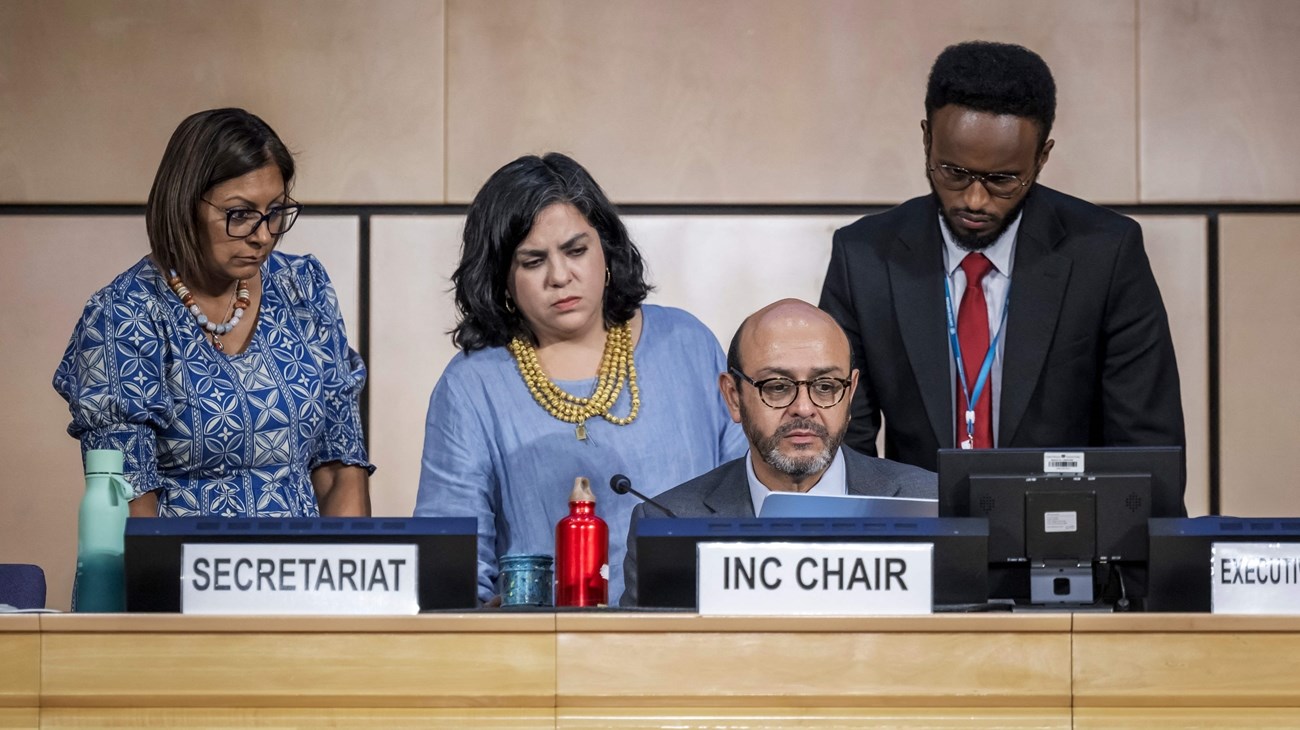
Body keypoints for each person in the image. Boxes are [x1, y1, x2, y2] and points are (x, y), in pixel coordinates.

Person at [819, 41, 1186, 479]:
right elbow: (842, 449)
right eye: (953, 172)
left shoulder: (1105, 255)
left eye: (1003, 180)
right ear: (927, 140)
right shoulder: (864, 258)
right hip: (918, 517)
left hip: (1063, 518)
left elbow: (1146, 452)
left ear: (1041, 158)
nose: (975, 200)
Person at [415, 152, 746, 606]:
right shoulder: (471, 385)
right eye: (533, 261)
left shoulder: (688, 343)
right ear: (502, 278)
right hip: (541, 641)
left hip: (693, 630)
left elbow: (745, 508)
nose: (560, 276)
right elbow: (453, 572)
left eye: (575, 251)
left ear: (606, 249)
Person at [53, 108, 372, 518]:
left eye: (275, 212)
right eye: (240, 214)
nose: (262, 236)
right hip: (181, 557)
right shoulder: (125, 315)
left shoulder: (301, 287)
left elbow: (341, 465)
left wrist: (342, 560)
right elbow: (129, 501)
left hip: (301, 558)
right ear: (185, 204)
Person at [621, 299, 936, 606]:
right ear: (733, 397)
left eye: (825, 386)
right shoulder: (668, 522)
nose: (804, 408)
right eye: (777, 387)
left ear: (850, 392)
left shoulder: (933, 504)